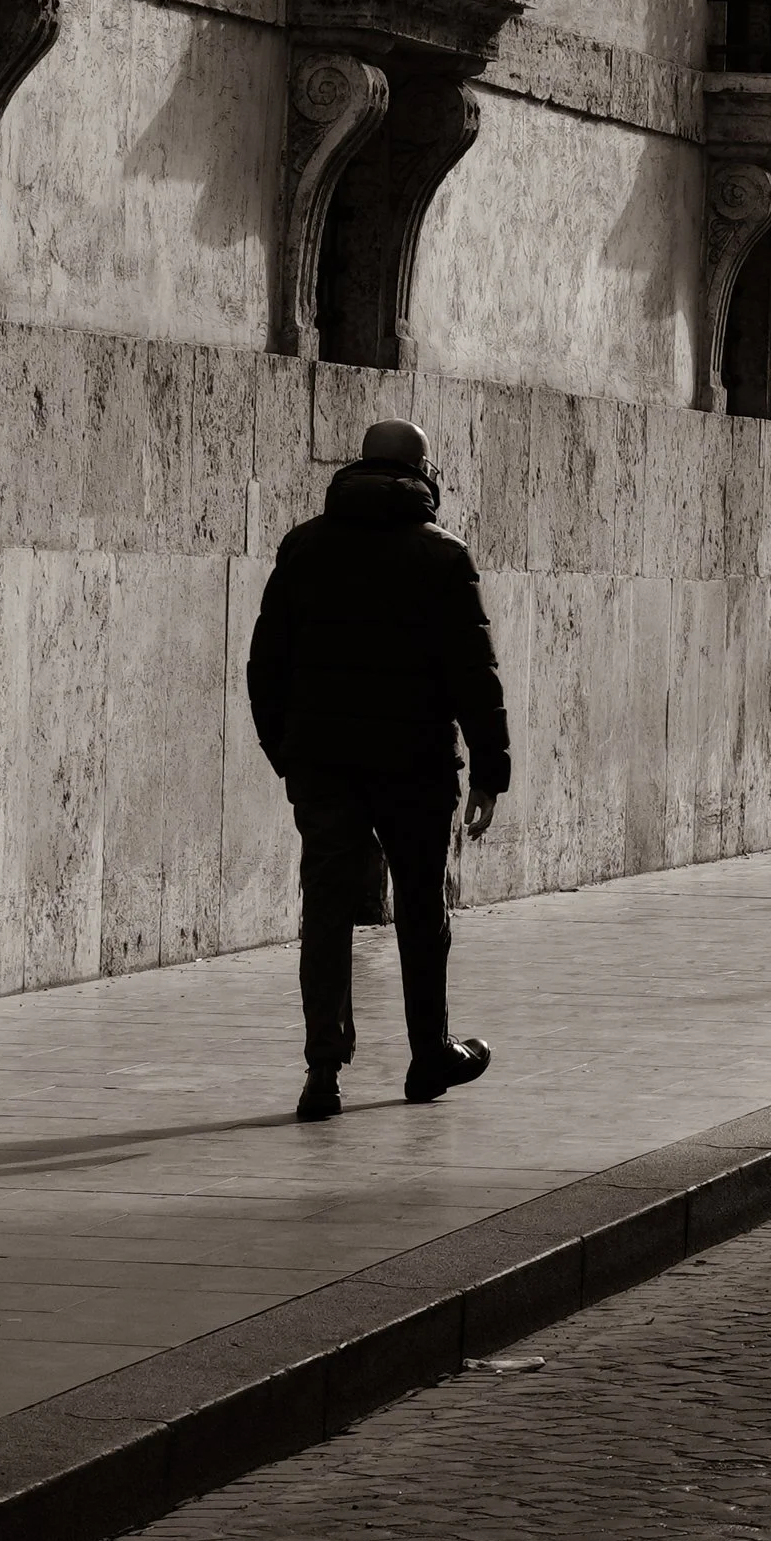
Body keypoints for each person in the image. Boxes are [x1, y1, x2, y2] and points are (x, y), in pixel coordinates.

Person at [247, 417, 510, 1119]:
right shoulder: (443, 557)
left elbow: (265, 664)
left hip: (323, 765)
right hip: (416, 766)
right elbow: (473, 674)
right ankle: (430, 1056)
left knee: (327, 911)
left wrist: (286, 753)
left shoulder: (304, 548)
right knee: (422, 908)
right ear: (425, 476)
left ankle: (323, 1073)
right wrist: (491, 769)